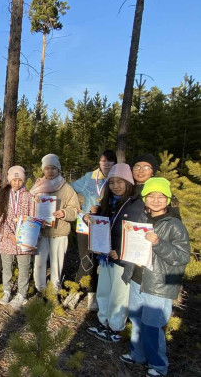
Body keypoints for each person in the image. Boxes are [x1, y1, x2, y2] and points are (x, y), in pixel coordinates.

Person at [120, 178, 190, 377]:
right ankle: (138, 355)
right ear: (145, 198)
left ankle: (159, 365)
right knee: (136, 319)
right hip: (138, 279)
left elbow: (182, 257)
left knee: (153, 325)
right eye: (152, 195)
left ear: (168, 199)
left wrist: (158, 243)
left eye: (161, 196)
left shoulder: (174, 224)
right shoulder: (141, 219)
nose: (156, 200)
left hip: (158, 284)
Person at [85, 163, 146, 342]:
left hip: (121, 258)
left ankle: (116, 328)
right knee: (104, 291)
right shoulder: (107, 203)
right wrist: (90, 217)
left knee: (119, 295)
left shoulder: (136, 204)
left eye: (120, 181)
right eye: (111, 183)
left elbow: (136, 234)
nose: (115, 186)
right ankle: (103, 322)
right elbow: (102, 227)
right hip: (105, 257)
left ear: (129, 182)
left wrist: (121, 252)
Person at [71, 150, 117, 310]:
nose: (106, 164)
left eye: (110, 162)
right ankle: (77, 292)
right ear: (99, 162)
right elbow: (70, 191)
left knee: (101, 262)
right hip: (85, 225)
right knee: (86, 258)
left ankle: (94, 294)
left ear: (115, 164)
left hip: (105, 228)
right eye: (104, 161)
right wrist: (78, 210)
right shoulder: (89, 177)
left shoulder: (117, 181)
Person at [30, 154, 79, 294]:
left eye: (53, 168)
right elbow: (29, 204)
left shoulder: (66, 188)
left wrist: (64, 213)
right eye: (47, 168)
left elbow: (75, 209)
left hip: (59, 231)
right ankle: (40, 288)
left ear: (58, 169)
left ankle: (54, 287)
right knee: (39, 261)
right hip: (41, 231)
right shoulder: (38, 186)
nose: (50, 171)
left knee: (56, 262)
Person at [0, 166, 35, 310]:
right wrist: (10, 234)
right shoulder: (3, 195)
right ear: (9, 179)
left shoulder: (29, 197)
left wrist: (24, 232)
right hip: (7, 238)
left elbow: (32, 217)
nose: (16, 183)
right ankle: (7, 291)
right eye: (14, 179)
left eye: (19, 180)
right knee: (7, 267)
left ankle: (21, 293)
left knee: (24, 267)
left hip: (24, 239)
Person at [131, 153, 181, 220]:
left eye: (146, 167)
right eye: (137, 167)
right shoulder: (126, 191)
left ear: (153, 172)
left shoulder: (163, 193)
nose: (141, 170)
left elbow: (174, 220)